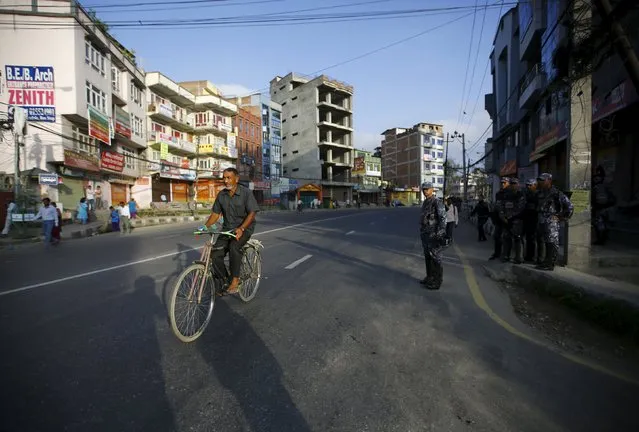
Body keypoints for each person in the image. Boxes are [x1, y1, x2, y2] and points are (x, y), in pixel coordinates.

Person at [201, 167, 259, 294]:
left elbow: (252, 213)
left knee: (234, 247)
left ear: (236, 179)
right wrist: (204, 227)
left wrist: (242, 228)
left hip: (244, 228)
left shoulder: (246, 193)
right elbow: (215, 215)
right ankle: (224, 280)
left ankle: (235, 280)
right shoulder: (221, 195)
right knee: (215, 253)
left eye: (228, 178)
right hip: (227, 229)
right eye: (224, 178)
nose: (225, 181)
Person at [536, 173, 574, 271]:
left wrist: (561, 217)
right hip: (542, 220)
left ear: (549, 180)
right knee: (546, 243)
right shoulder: (541, 192)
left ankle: (550, 264)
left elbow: (569, 207)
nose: (541, 182)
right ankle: (546, 261)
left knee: (552, 242)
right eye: (540, 180)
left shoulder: (557, 193)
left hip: (551, 221)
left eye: (543, 180)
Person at [419, 182, 447, 290]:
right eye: (423, 189)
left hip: (434, 235)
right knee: (427, 256)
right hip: (425, 235)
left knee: (436, 258)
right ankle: (429, 277)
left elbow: (443, 220)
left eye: (427, 189)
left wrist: (439, 234)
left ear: (432, 189)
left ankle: (437, 281)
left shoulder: (437, 202)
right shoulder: (426, 202)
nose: (425, 191)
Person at [498, 177, 526, 263]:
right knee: (506, 238)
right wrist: (502, 216)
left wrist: (510, 217)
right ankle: (506, 256)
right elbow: (501, 206)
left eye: (515, 184)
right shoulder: (506, 195)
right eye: (512, 184)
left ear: (518, 185)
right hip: (506, 220)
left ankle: (518, 258)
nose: (513, 185)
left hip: (517, 221)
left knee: (518, 239)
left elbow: (520, 208)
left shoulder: (521, 195)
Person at [489, 178, 509, 260]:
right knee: (496, 236)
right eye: (502, 183)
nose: (502, 184)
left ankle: (505, 255)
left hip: (507, 218)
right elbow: (497, 206)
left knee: (506, 237)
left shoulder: (510, 193)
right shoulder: (498, 194)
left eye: (504, 183)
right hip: (498, 219)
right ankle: (497, 253)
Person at [523, 179, 539, 262]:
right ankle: (528, 256)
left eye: (530, 185)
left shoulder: (538, 194)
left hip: (535, 220)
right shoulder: (526, 194)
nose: (528, 187)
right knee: (528, 239)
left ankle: (534, 257)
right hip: (527, 219)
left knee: (534, 240)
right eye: (527, 185)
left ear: (535, 185)